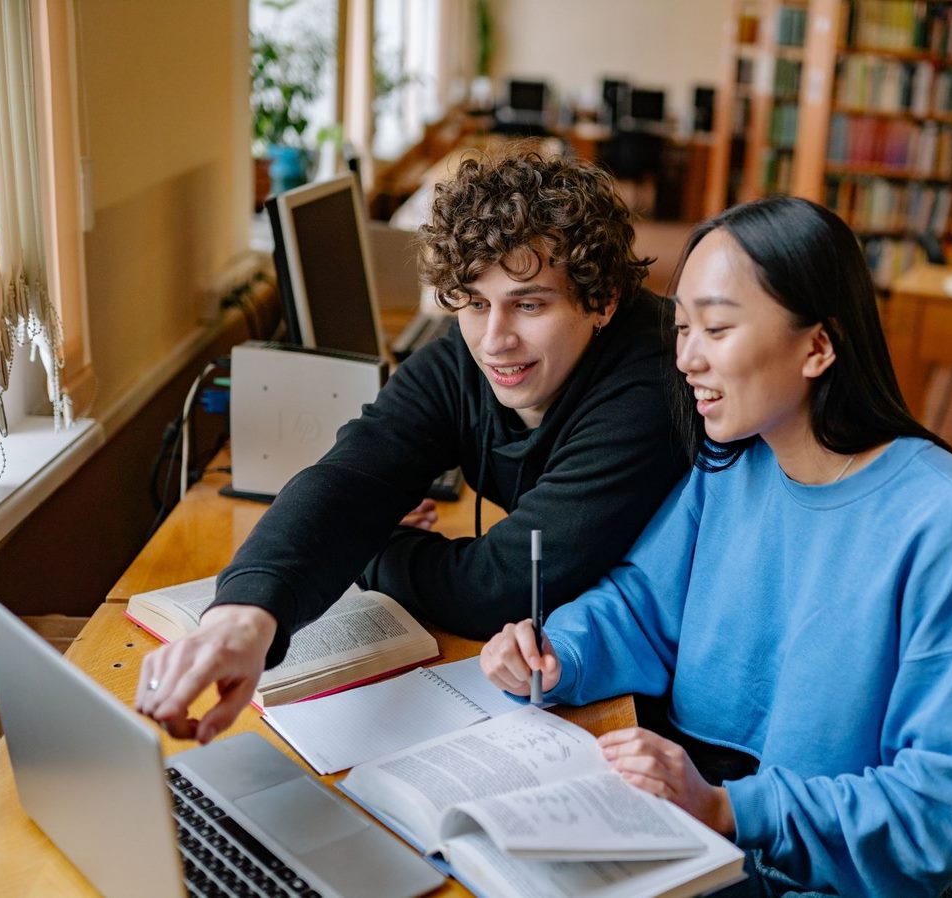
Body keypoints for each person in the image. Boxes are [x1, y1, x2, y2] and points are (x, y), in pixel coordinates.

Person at [481, 195, 952, 898]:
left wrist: (730, 808)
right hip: (718, 842)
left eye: (717, 328)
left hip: (837, 879)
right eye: (681, 328)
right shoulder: (732, 462)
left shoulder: (945, 521)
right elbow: (644, 604)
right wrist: (559, 652)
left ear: (818, 346)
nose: (686, 359)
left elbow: (937, 810)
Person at [137, 149, 688, 743]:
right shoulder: (469, 350)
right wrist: (244, 616)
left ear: (601, 299)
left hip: (661, 708)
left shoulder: (653, 380)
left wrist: (376, 543)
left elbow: (499, 587)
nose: (495, 340)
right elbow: (355, 473)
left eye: (529, 303)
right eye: (475, 302)